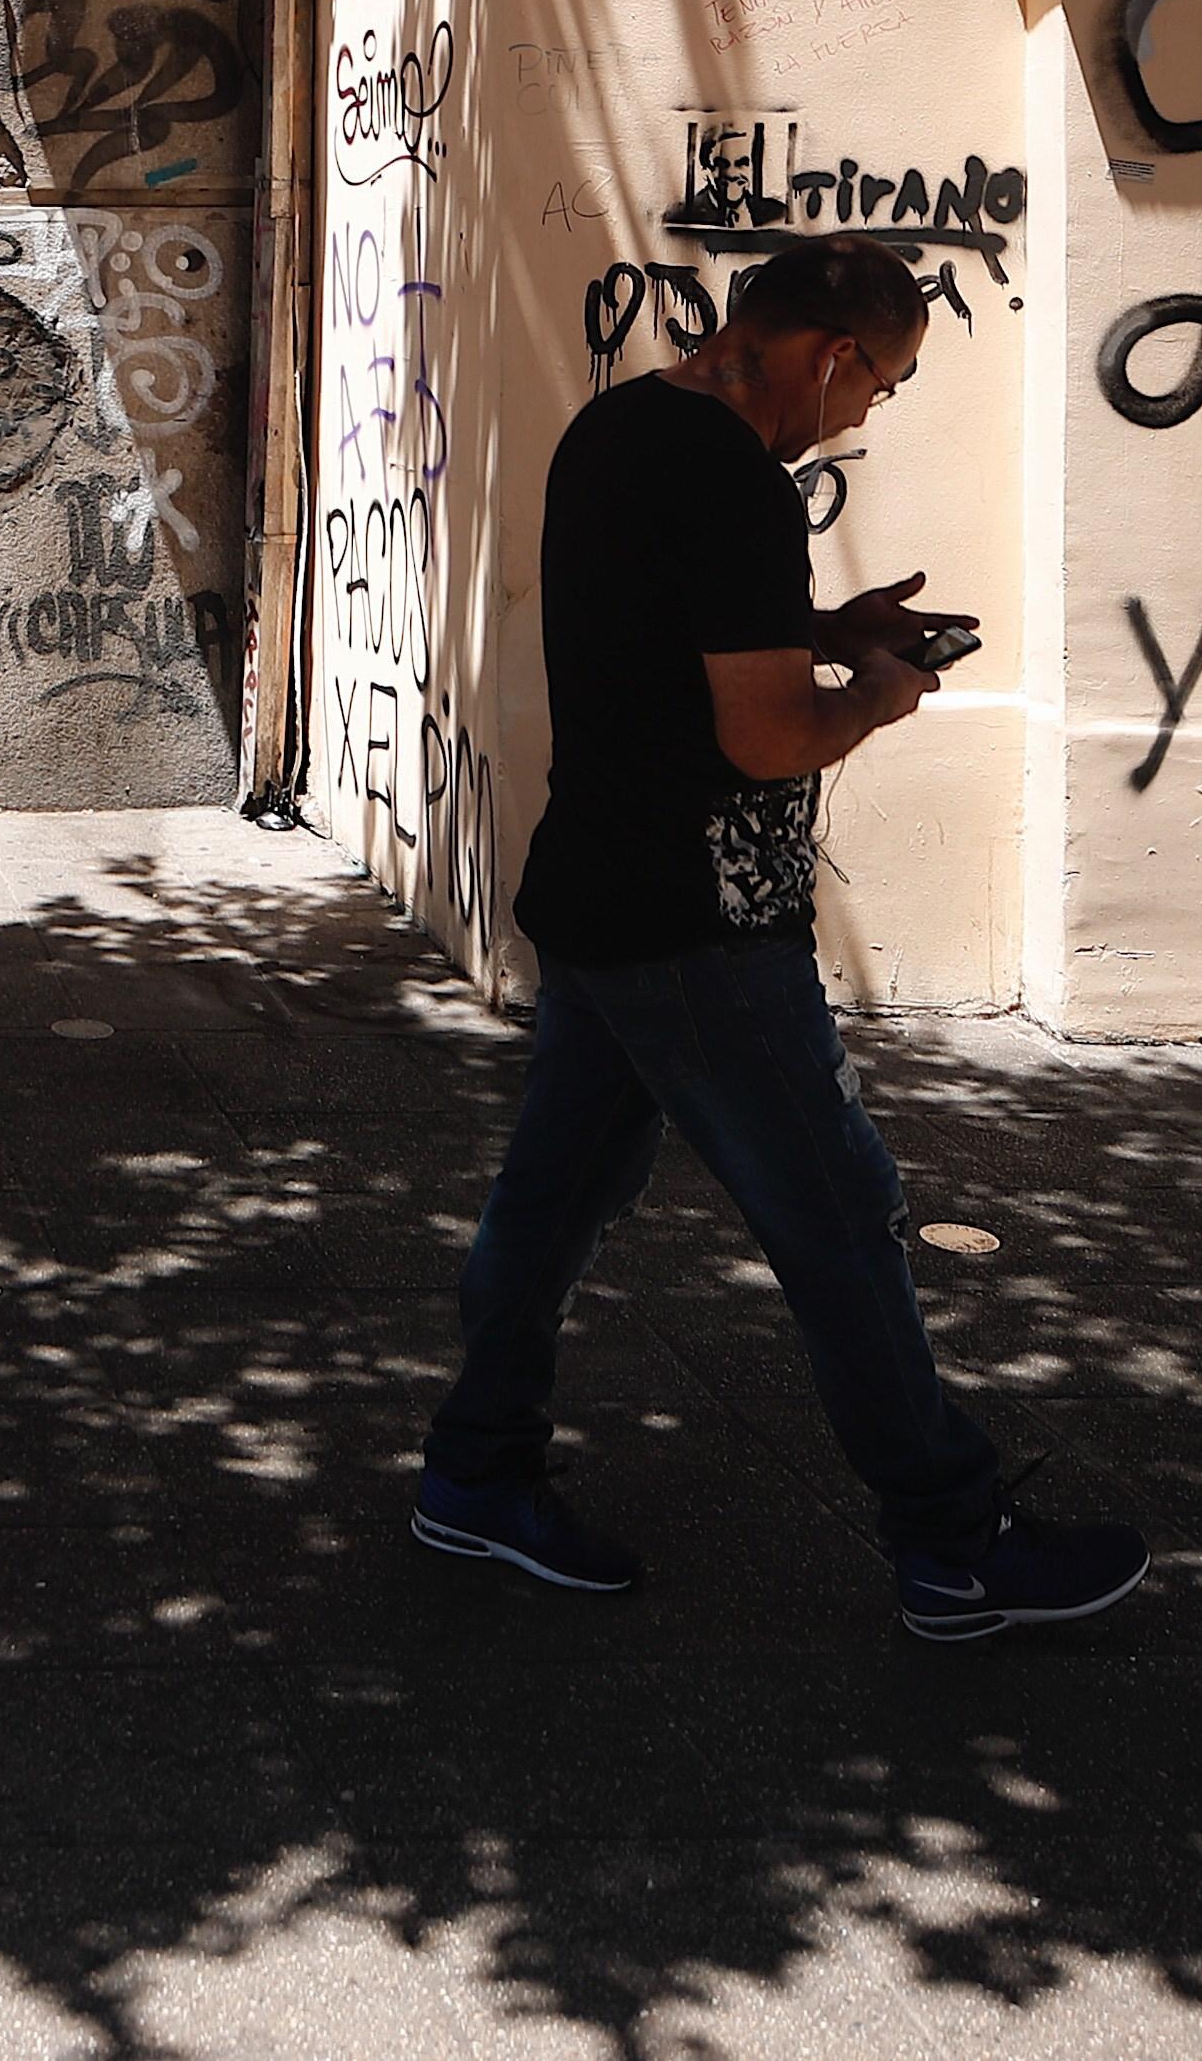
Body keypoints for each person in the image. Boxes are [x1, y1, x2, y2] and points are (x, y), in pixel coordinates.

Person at [409, 234, 1148, 1643]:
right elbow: (759, 736)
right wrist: (872, 690)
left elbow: (669, 634)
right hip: (702, 928)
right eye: (884, 381)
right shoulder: (739, 478)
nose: (872, 410)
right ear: (829, 353)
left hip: (601, 898)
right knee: (842, 1222)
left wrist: (822, 624)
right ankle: (953, 1540)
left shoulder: (621, 427)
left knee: (551, 1206)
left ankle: (474, 1467)